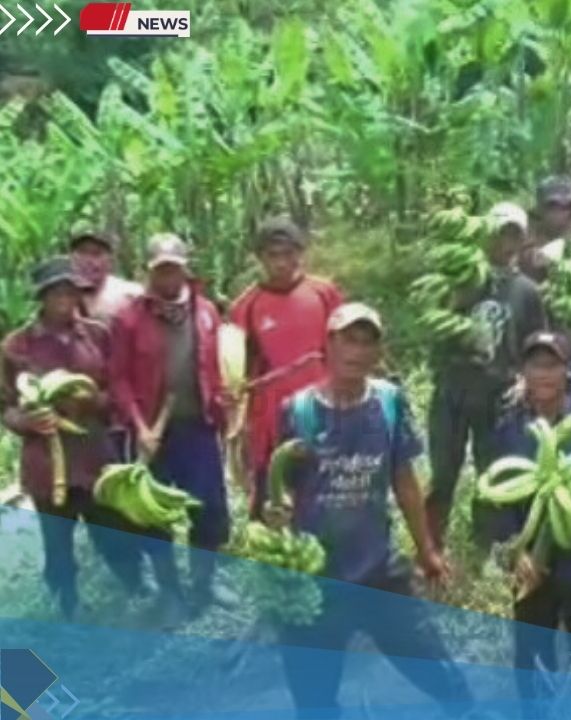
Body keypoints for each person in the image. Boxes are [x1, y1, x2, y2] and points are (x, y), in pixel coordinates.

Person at [273, 302, 473, 718]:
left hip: (379, 571)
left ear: (378, 352)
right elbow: (281, 486)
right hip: (316, 580)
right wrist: (279, 512)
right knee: (313, 700)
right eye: (349, 339)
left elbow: (405, 481)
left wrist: (427, 550)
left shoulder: (388, 402)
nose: (358, 351)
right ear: (329, 344)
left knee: (443, 676)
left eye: (368, 342)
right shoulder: (298, 410)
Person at [0, 257, 145, 619]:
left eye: (71, 292)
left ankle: (134, 584)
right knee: (58, 537)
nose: (65, 300)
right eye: (56, 293)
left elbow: (118, 389)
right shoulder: (16, 347)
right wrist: (27, 421)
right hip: (47, 459)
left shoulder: (98, 334)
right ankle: (67, 601)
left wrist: (94, 399)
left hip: (95, 450)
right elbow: (4, 406)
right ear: (43, 298)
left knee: (112, 524)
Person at [491, 331, 571, 719]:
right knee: (532, 665)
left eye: (552, 365)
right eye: (535, 364)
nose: (543, 374)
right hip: (531, 569)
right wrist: (513, 550)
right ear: (522, 371)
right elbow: (496, 495)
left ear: (568, 371)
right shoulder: (508, 429)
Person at [110, 233, 231, 616]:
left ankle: (204, 583)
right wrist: (138, 426)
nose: (167, 276)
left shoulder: (206, 311)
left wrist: (224, 401)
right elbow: (118, 378)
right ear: (149, 271)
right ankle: (170, 592)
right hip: (152, 434)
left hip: (199, 427)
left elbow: (217, 367)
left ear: (184, 268)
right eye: (160, 269)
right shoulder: (129, 319)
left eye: (173, 268)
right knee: (153, 516)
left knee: (209, 508)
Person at [427, 202, 546, 550]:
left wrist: (526, 381)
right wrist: (453, 300)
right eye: (499, 231)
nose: (505, 240)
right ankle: (431, 547)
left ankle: (482, 547)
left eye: (513, 233)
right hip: (453, 388)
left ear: (522, 239)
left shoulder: (527, 291)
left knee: (491, 475)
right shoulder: (458, 278)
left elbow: (535, 345)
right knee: (443, 473)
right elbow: (432, 329)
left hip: (499, 395)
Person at [229, 217, 343, 519]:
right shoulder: (247, 306)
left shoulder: (323, 293)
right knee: (274, 504)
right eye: (272, 255)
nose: (281, 263)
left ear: (299, 253)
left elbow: (346, 347)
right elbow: (238, 371)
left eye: (288, 253)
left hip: (324, 410)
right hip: (272, 419)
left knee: (329, 497)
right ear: (260, 258)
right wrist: (239, 422)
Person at [68, 228, 143, 323]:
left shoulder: (131, 294)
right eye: (82, 253)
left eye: (96, 254)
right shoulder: (58, 296)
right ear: (71, 257)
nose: (88, 261)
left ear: (110, 261)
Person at [520, 176, 571, 283]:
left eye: (568, 207)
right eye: (556, 207)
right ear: (541, 210)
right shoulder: (524, 235)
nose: (564, 214)